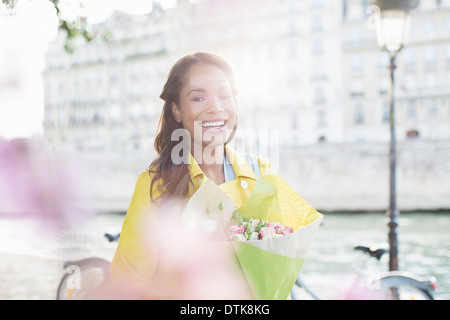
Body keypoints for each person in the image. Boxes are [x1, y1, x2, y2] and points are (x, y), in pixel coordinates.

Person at [109, 52, 274, 295]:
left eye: (225, 95)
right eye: (198, 98)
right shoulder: (155, 184)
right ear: (176, 111)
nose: (215, 107)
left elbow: (278, 264)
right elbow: (127, 283)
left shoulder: (262, 173)